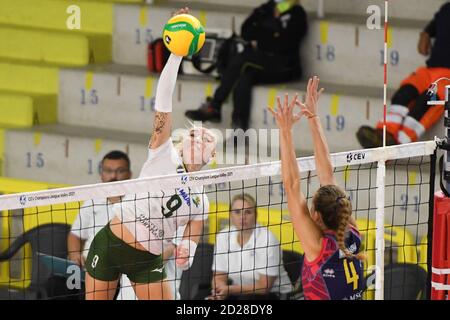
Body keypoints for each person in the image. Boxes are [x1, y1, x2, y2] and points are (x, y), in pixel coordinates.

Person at [84, 7, 217, 300]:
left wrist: (188, 252)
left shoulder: (201, 201)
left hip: (148, 261)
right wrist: (177, 53)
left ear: (212, 158)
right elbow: (164, 98)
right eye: (194, 133)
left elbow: (193, 233)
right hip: (110, 245)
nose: (201, 137)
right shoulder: (163, 153)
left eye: (208, 138)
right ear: (181, 143)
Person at [269, 77, 365, 300]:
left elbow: (293, 186)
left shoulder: (318, 248)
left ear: (317, 216)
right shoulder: (352, 232)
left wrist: (285, 130)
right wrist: (313, 117)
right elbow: (327, 174)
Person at [185, 0, 308, 131]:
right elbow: (246, 32)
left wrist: (262, 36)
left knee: (243, 57)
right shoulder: (267, 9)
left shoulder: (297, 14)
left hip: (285, 67)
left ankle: (215, 105)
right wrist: (270, 31)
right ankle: (239, 131)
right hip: (262, 62)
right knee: (244, 78)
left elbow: (284, 45)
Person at [357, 2, 450, 148]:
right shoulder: (447, 8)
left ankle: (395, 145)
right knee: (404, 93)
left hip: (447, 77)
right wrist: (426, 33)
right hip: (429, 70)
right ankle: (383, 133)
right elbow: (436, 22)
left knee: (426, 103)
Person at [68, 150, 136, 300]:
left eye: (119, 171)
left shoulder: (137, 202)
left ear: (129, 174)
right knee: (56, 284)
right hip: (86, 267)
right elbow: (75, 235)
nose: (113, 176)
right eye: (108, 171)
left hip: (118, 270)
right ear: (101, 174)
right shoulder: (92, 199)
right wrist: (74, 255)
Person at [207, 193, 292, 300]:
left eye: (247, 212)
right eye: (237, 212)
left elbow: (264, 287)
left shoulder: (267, 239)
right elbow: (219, 275)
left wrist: (229, 289)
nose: (242, 217)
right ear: (230, 215)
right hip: (238, 291)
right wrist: (218, 291)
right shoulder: (223, 236)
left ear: (255, 215)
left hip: (274, 294)